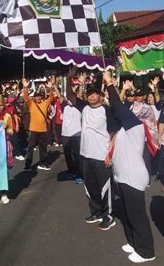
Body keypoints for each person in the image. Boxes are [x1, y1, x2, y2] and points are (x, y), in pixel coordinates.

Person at [102, 71, 155, 263]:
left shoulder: (135, 126)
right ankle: (134, 242)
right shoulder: (124, 128)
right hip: (123, 177)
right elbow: (116, 110)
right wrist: (115, 90)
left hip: (133, 177)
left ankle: (147, 251)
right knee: (128, 214)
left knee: (137, 216)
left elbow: (118, 106)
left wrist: (109, 83)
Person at [66, 68, 117, 231]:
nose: (91, 96)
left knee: (105, 188)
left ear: (101, 96)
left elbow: (114, 133)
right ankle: (95, 212)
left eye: (95, 93)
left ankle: (108, 216)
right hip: (85, 155)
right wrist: (69, 78)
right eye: (89, 94)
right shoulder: (84, 107)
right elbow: (70, 96)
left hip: (102, 156)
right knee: (90, 186)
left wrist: (110, 154)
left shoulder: (107, 110)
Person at [53, 75, 82, 184]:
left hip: (77, 134)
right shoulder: (64, 105)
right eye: (69, 98)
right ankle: (71, 171)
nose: (70, 100)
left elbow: (79, 94)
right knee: (67, 154)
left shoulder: (78, 106)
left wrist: (80, 84)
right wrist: (54, 85)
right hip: (66, 134)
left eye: (72, 98)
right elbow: (60, 96)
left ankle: (78, 174)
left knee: (77, 155)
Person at [22, 78, 53, 171]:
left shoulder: (45, 103)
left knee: (43, 148)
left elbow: (51, 98)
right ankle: (27, 165)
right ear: (34, 98)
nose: (38, 97)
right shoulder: (31, 104)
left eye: (39, 96)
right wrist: (25, 87)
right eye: (36, 96)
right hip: (34, 130)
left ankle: (43, 163)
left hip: (43, 130)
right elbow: (25, 97)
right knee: (30, 148)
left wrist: (50, 88)